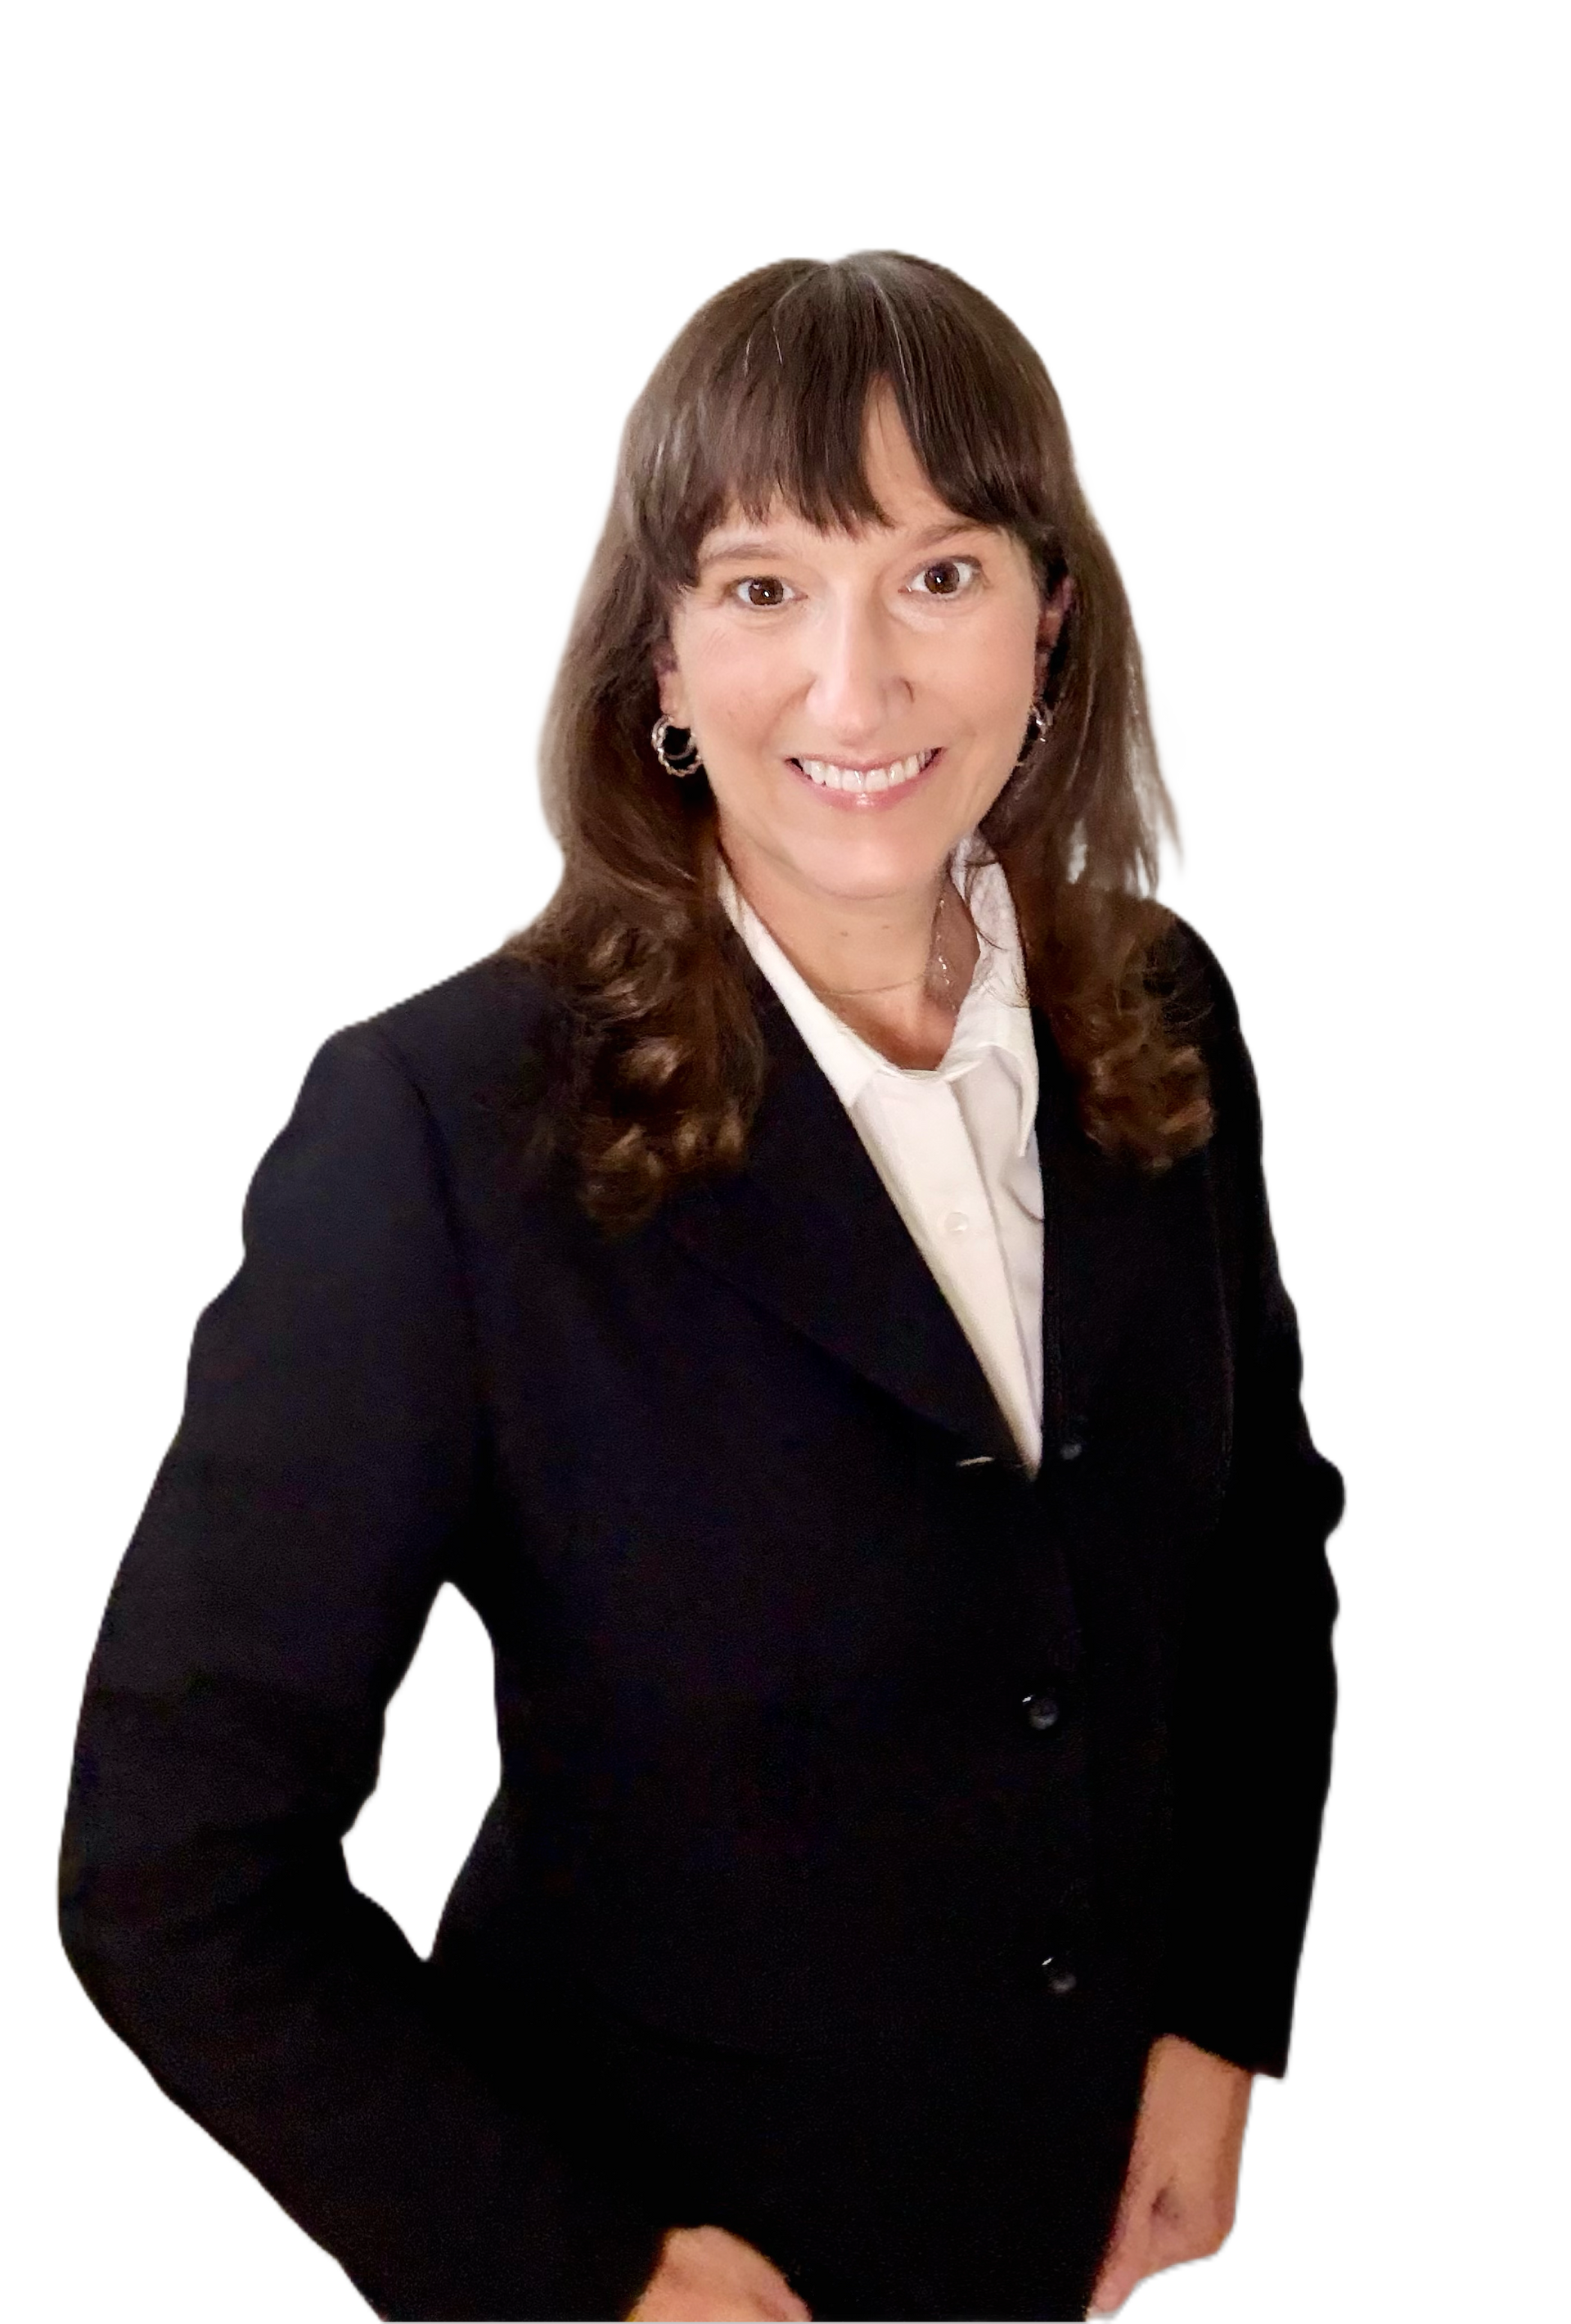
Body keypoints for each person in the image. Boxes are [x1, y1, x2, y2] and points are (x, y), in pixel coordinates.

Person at [55, 246, 1345, 2322]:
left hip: (1069, 2241)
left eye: (937, 575)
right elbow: (171, 1872)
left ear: (1053, 621)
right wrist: (582, 2274)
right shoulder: (438, 1126)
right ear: (656, 654)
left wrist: (1217, 2019)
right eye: (763, 587)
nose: (858, 690)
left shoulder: (1159, 1008)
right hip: (678, 2251)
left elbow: (1256, 1560)